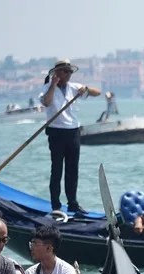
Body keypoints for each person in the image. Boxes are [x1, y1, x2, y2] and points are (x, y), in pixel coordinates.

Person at [40, 59, 101, 214]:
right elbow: (46, 103)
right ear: (57, 72)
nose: (68, 75)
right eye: (65, 71)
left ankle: (73, 203)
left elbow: (97, 92)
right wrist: (53, 85)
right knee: (57, 169)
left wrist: (85, 89)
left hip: (73, 132)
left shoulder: (74, 87)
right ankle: (56, 205)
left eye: (70, 72)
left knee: (72, 170)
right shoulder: (47, 88)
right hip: (56, 132)